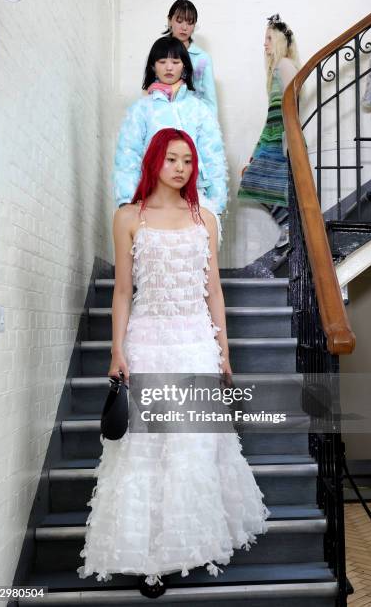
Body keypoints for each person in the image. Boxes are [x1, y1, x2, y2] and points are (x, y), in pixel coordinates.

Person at [78, 129, 269, 598]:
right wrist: (116, 349)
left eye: (187, 160)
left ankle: (189, 543)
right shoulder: (127, 217)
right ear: (154, 163)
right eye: (171, 159)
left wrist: (222, 347)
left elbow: (214, 290)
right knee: (147, 450)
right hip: (147, 338)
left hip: (193, 341)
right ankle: (149, 560)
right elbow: (123, 290)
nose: (180, 167)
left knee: (191, 448)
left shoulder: (205, 216)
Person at [114, 36, 227, 235]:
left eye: (175, 62)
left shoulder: (199, 110)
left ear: (184, 66)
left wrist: (216, 204)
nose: (169, 67)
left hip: (195, 192)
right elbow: (128, 156)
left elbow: (213, 157)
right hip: (150, 196)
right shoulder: (141, 110)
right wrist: (127, 200)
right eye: (162, 61)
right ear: (152, 67)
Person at [238, 14, 300, 249]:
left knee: (256, 180)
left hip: (281, 139)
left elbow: (289, 108)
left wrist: (286, 143)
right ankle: (287, 224)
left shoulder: (284, 65)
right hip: (273, 138)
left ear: (279, 41)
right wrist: (259, 146)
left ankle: (288, 224)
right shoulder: (277, 68)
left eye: (268, 38)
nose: (264, 44)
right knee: (252, 177)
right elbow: (273, 114)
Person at [163, 0, 218, 116]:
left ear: (194, 26)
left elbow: (210, 101)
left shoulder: (203, 58)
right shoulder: (158, 53)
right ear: (169, 21)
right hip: (163, 121)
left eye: (189, 22)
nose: (184, 27)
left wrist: (210, 130)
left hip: (193, 123)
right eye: (179, 20)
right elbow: (149, 93)